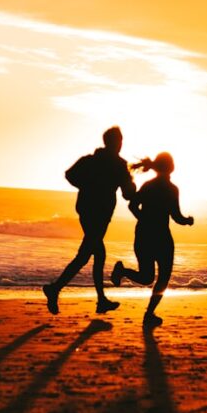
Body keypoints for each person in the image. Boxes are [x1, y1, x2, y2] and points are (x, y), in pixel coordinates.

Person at [43, 126, 135, 315]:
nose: (120, 144)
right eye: (119, 141)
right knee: (86, 255)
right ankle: (55, 288)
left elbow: (69, 175)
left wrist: (86, 186)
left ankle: (100, 300)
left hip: (86, 210)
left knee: (97, 253)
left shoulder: (91, 160)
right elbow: (128, 194)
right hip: (99, 213)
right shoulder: (118, 164)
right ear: (114, 142)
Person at [111, 152, 194, 328]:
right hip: (162, 237)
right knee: (163, 277)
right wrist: (188, 221)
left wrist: (143, 219)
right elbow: (176, 216)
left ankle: (123, 272)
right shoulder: (172, 189)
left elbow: (132, 205)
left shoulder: (148, 185)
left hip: (143, 234)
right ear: (171, 167)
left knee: (147, 277)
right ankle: (149, 313)